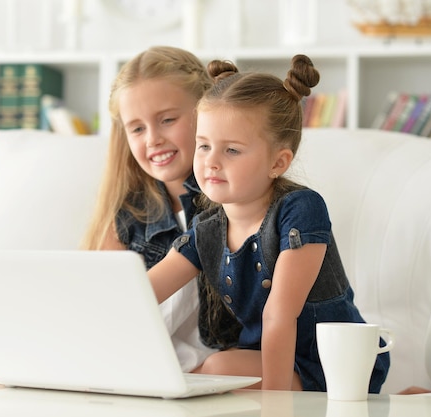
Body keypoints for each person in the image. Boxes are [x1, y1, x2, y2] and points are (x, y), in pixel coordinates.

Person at [148, 54, 391, 392]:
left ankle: (388, 401)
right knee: (211, 372)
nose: (211, 162)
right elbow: (141, 293)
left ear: (278, 162)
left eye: (231, 150)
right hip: (268, 356)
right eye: (203, 146)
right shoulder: (207, 229)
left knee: (216, 370)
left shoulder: (301, 210)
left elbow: (279, 315)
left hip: (334, 366)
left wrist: (275, 406)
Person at [82, 45, 234, 372]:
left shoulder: (236, 199)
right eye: (137, 128)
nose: (152, 139)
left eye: (167, 120)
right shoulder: (127, 216)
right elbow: (102, 309)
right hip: (148, 361)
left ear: (206, 112)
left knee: (219, 367)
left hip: (218, 362)